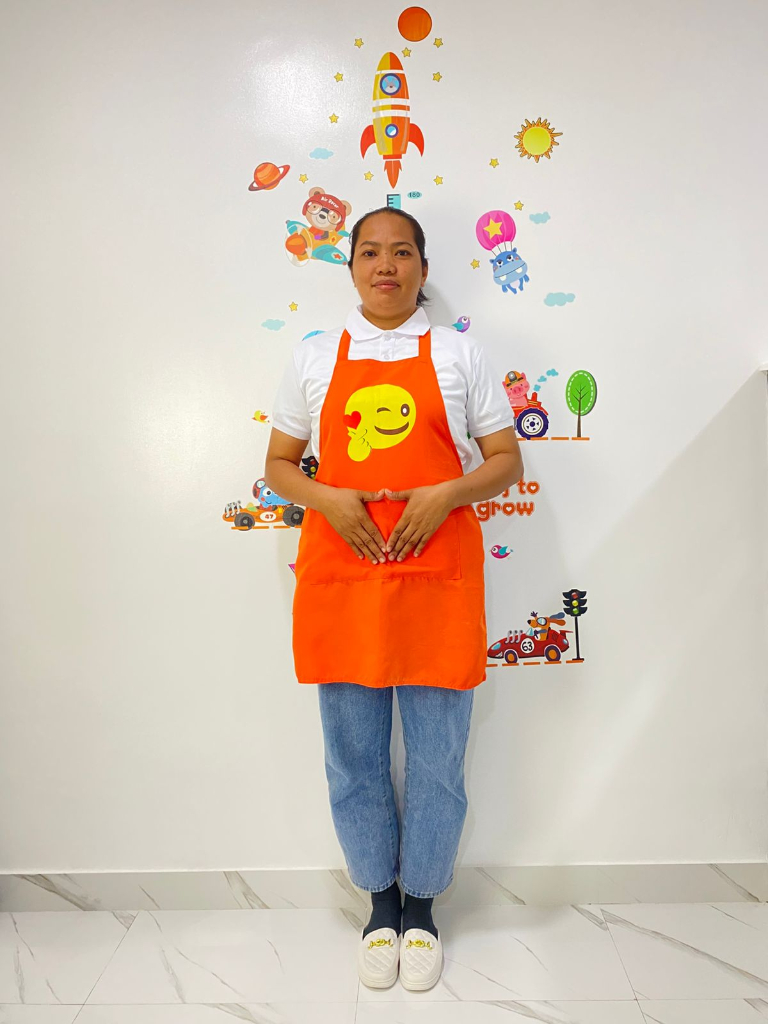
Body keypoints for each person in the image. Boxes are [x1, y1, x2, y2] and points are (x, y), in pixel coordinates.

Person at [264, 206, 523, 991]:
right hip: (345, 579)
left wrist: (446, 492)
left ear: (423, 267)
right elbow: (279, 465)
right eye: (371, 252)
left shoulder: (459, 354)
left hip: (436, 579)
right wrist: (328, 498)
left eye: (402, 252)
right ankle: (380, 904)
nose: (386, 265)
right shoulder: (314, 357)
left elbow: (505, 461)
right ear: (351, 267)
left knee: (439, 762)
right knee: (354, 759)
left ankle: (423, 908)